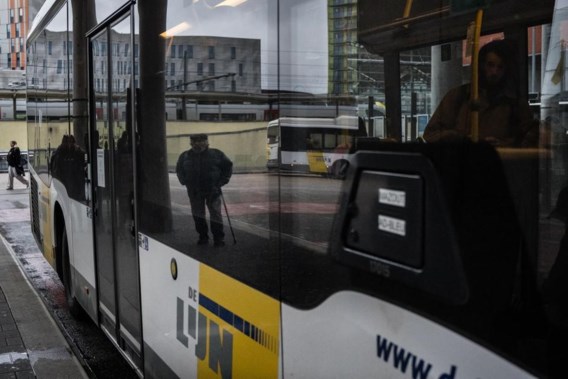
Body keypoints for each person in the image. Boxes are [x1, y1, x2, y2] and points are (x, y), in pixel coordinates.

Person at [423, 39, 538, 147]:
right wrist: (462, 140)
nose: (494, 72)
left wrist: (503, 145)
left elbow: (530, 139)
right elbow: (431, 135)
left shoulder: (515, 103)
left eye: (500, 67)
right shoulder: (459, 96)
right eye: (490, 65)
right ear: (481, 66)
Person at [176, 134, 233, 247]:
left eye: (201, 141)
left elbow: (228, 167)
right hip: (194, 191)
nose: (198, 143)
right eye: (194, 141)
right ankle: (203, 237)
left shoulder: (217, 154)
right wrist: (184, 181)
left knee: (215, 214)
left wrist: (222, 182)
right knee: (198, 214)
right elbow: (179, 169)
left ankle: (218, 238)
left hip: (213, 190)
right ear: (191, 143)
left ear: (207, 142)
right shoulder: (184, 156)